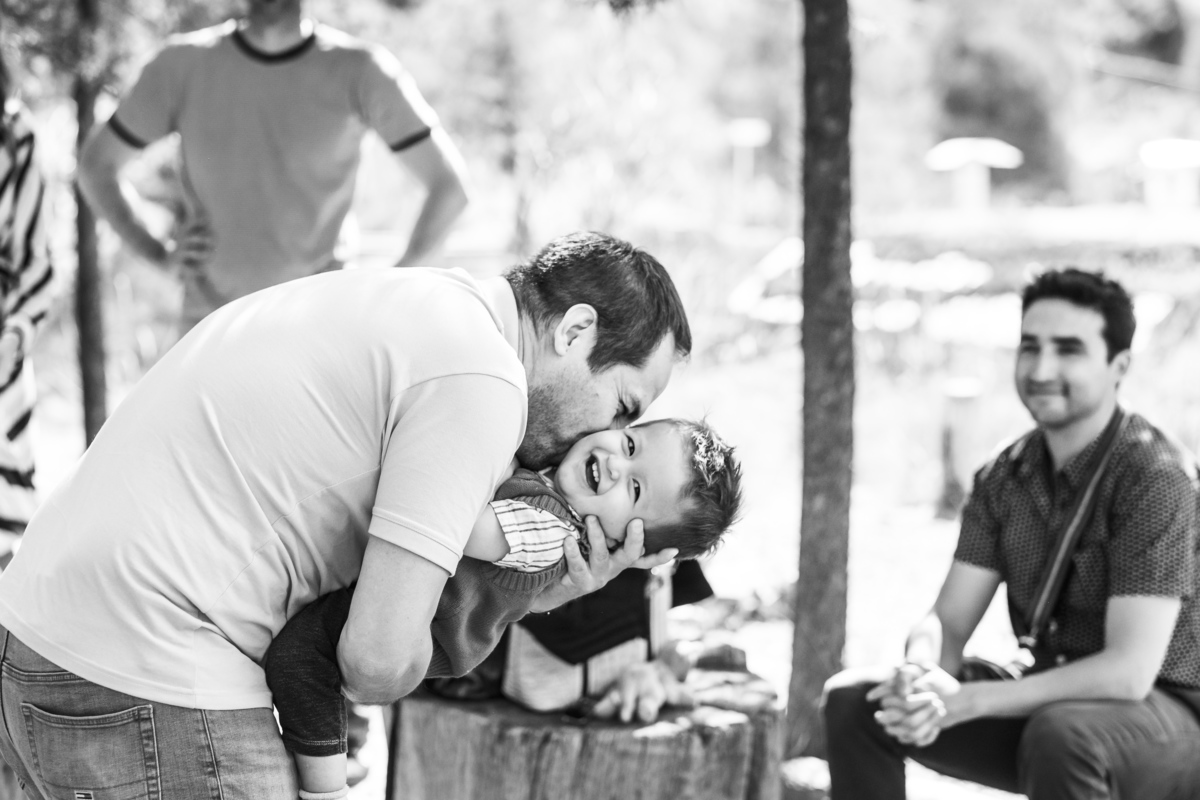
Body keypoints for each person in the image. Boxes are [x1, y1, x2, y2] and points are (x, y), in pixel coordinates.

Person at [0, 231, 687, 799]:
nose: (600, 436)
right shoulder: (482, 380)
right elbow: (374, 660)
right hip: (151, 665)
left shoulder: (428, 303)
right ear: (575, 330)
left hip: (38, 632)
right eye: (622, 408)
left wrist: (551, 586)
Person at [823, 268, 1200, 799]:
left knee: (1063, 734)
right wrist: (922, 675)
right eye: (1030, 347)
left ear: (1120, 366)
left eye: (1068, 350)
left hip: (1168, 718)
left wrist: (967, 701)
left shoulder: (1155, 477)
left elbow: (1129, 672)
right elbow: (948, 619)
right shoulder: (1005, 474)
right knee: (859, 700)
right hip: (1050, 695)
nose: (1042, 368)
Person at [266, 418, 743, 798]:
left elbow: (457, 523)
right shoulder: (556, 497)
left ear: (623, 539)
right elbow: (531, 596)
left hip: (427, 623)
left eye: (635, 490)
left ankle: (326, 788)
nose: (618, 465)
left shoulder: (547, 525)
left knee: (303, 658)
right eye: (632, 444)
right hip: (434, 614)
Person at [77, 0, 470, 332]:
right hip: (209, 332)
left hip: (322, 333)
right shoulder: (180, 65)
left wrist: (390, 287)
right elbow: (96, 167)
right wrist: (159, 254)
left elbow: (450, 188)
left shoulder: (363, 70)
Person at [0, 51, 56, 549]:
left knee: (7, 531)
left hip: (0, 365)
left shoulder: (14, 133)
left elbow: (37, 260)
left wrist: (14, 336)